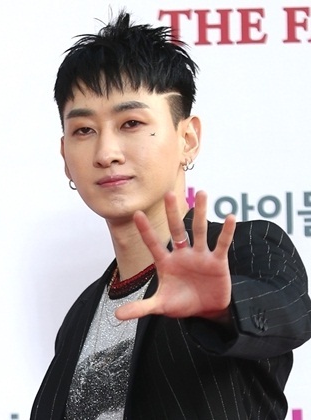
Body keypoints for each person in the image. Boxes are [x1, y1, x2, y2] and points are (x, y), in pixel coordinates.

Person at [31, 11, 311, 420]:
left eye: (131, 123)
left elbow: (291, 315)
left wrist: (220, 308)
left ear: (188, 139)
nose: (106, 153)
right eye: (84, 130)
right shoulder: (81, 314)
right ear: (65, 157)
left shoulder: (245, 250)